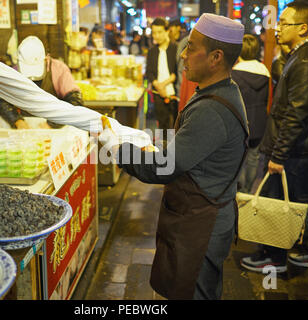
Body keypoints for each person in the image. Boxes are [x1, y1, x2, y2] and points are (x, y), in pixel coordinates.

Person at [99, 13, 247, 300]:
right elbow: (185, 148)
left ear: (216, 57)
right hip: (199, 214)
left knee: (194, 292)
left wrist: (115, 148)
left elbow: (164, 167)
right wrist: (146, 142)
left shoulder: (212, 110)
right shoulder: (218, 92)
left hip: (201, 225)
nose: (183, 55)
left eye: (191, 47)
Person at [240, 2, 308, 273]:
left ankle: (274, 258)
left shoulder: (305, 61)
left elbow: (296, 113)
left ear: (303, 28)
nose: (277, 28)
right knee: (298, 195)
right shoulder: (306, 54)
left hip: (294, 149)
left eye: (283, 23)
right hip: (301, 147)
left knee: (275, 200)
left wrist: (278, 155)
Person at [0, 36, 83, 129]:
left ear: (46, 58)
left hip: (58, 129)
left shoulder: (59, 69)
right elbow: (2, 102)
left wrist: (52, 124)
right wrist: (17, 120)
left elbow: (75, 100)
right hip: (28, 126)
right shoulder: (15, 71)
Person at [232, 34, 270, 193]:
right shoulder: (265, 72)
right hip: (260, 122)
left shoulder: (234, 74)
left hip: (240, 123)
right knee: (254, 159)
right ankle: (248, 190)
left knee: (238, 160)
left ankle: (239, 191)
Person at [146, 17, 178, 140]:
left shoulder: (175, 48)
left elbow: (177, 71)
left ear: (166, 31)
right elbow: (149, 72)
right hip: (158, 93)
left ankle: (175, 153)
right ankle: (164, 154)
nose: (156, 36)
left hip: (173, 92)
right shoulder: (152, 51)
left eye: (159, 32)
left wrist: (164, 84)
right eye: (154, 33)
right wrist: (158, 86)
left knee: (175, 124)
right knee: (162, 125)